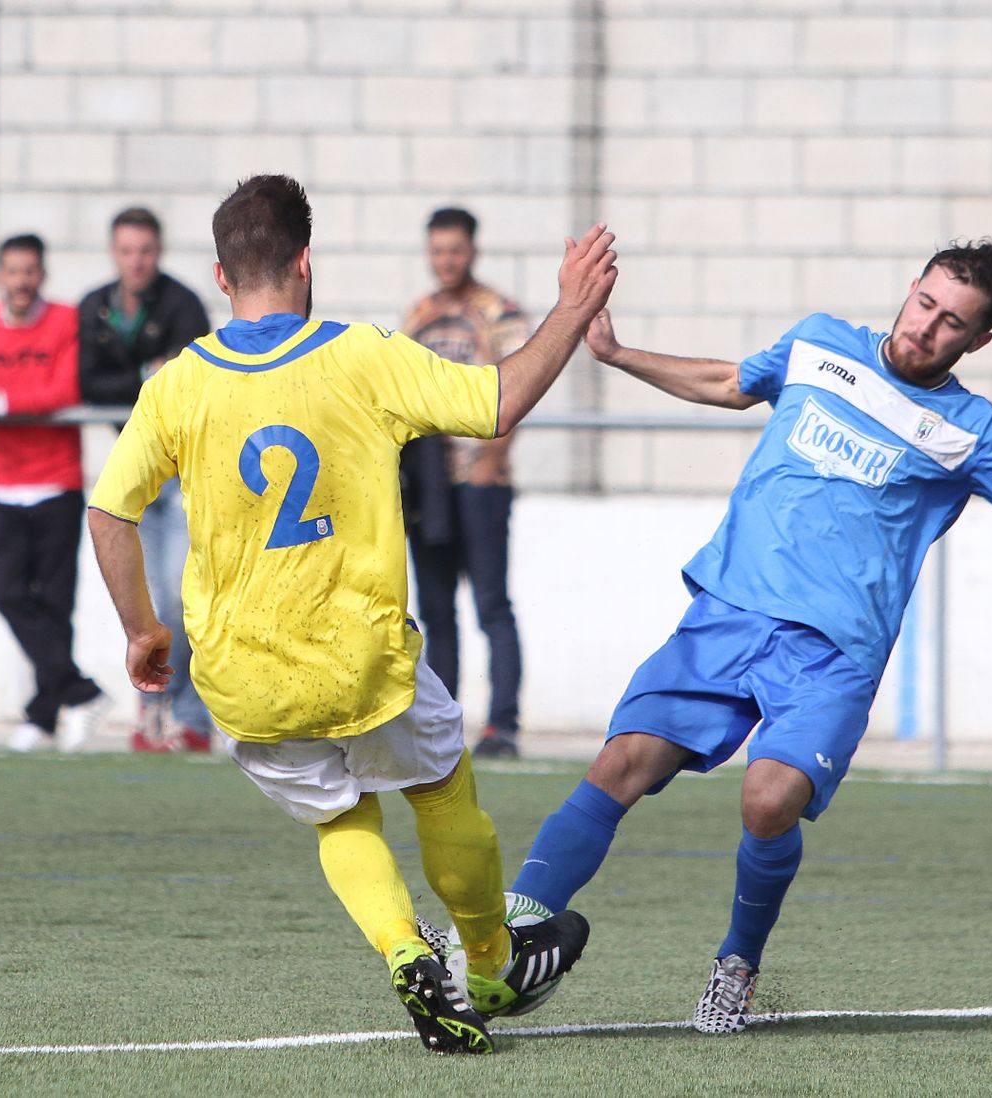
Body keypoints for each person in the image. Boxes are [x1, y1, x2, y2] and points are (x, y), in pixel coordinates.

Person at [497, 240, 992, 1035]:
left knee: (768, 801)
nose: (927, 327)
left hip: (833, 655)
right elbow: (730, 382)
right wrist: (618, 354)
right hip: (729, 611)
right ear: (911, 290)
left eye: (953, 323)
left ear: (979, 341)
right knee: (619, 762)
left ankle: (737, 960)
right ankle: (506, 935)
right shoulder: (819, 344)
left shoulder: (973, 431)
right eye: (926, 304)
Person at [86, 175, 617, 1054]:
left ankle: (408, 954)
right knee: (440, 787)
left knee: (339, 819)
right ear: (304, 262)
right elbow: (496, 403)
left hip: (243, 677)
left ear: (222, 277)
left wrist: (143, 630)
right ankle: (487, 961)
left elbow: (109, 512)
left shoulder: (178, 384)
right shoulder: (361, 354)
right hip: (363, 661)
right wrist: (568, 308)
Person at [0, 233, 109, 752]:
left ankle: (42, 715)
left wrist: (0, 401)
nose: (21, 281)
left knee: (55, 605)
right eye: (13, 271)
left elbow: (66, 389)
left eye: (30, 270)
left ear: (42, 275)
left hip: (56, 481)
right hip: (4, 486)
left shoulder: (64, 320)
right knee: (8, 594)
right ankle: (80, 692)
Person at [77, 207, 214, 753]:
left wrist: (146, 383)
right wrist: (142, 378)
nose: (137, 261)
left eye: (146, 251)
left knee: (182, 597)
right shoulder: (96, 306)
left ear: (158, 252)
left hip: (180, 474)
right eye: (128, 250)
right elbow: (90, 381)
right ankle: (153, 707)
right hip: (134, 474)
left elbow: (186, 380)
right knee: (146, 600)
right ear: (115, 253)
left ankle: (189, 714)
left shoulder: (182, 304)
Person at [399, 208, 530, 759]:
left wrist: (491, 457)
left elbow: (521, 387)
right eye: (437, 250)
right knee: (435, 612)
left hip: (481, 482)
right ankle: (442, 723)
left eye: (454, 249)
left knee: (491, 606)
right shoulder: (419, 316)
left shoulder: (500, 312)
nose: (445, 259)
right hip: (430, 488)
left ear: (472, 250)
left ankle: (502, 726)